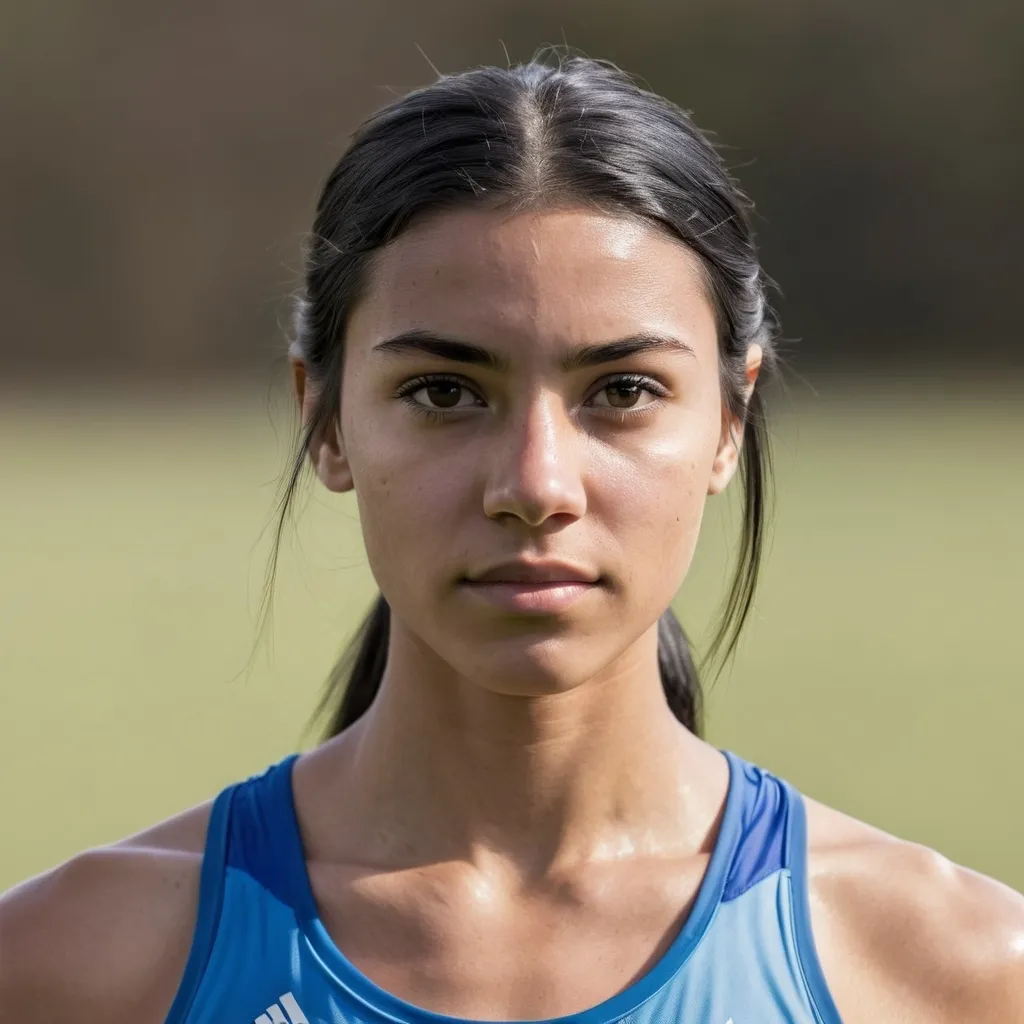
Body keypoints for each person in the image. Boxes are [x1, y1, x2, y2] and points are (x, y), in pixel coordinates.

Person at [1, 55, 1021, 1024]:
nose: (534, 484)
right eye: (443, 392)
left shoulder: (952, 974)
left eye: (622, 392)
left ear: (726, 420)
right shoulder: (67, 970)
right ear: (324, 418)